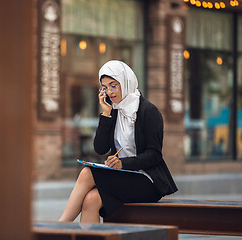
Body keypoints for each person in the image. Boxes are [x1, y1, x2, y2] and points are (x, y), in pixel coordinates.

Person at [59, 60, 178, 223]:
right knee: (90, 200)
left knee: (87, 173)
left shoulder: (148, 111)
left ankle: (60, 227)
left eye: (113, 85)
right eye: (105, 87)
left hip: (147, 179)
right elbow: (100, 148)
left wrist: (123, 163)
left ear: (125, 82)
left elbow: (154, 155)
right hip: (123, 176)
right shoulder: (113, 110)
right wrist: (106, 114)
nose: (109, 91)